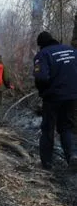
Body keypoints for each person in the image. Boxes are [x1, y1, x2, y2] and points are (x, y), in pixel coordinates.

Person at [33, 31, 77, 170]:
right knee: (66, 127)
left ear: (41, 44)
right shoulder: (71, 50)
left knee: (48, 128)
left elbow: (41, 78)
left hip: (53, 97)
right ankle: (72, 156)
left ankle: (46, 163)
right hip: (72, 96)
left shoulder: (43, 54)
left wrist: (43, 92)